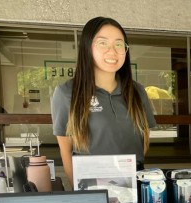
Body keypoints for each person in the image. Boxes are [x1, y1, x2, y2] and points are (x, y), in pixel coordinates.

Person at [51, 16, 156, 186]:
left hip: (132, 185)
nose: (112, 51)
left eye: (119, 44)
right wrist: (79, 194)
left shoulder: (137, 91)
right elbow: (66, 151)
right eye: (103, 43)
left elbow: (143, 141)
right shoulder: (67, 93)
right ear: (87, 47)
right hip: (91, 187)